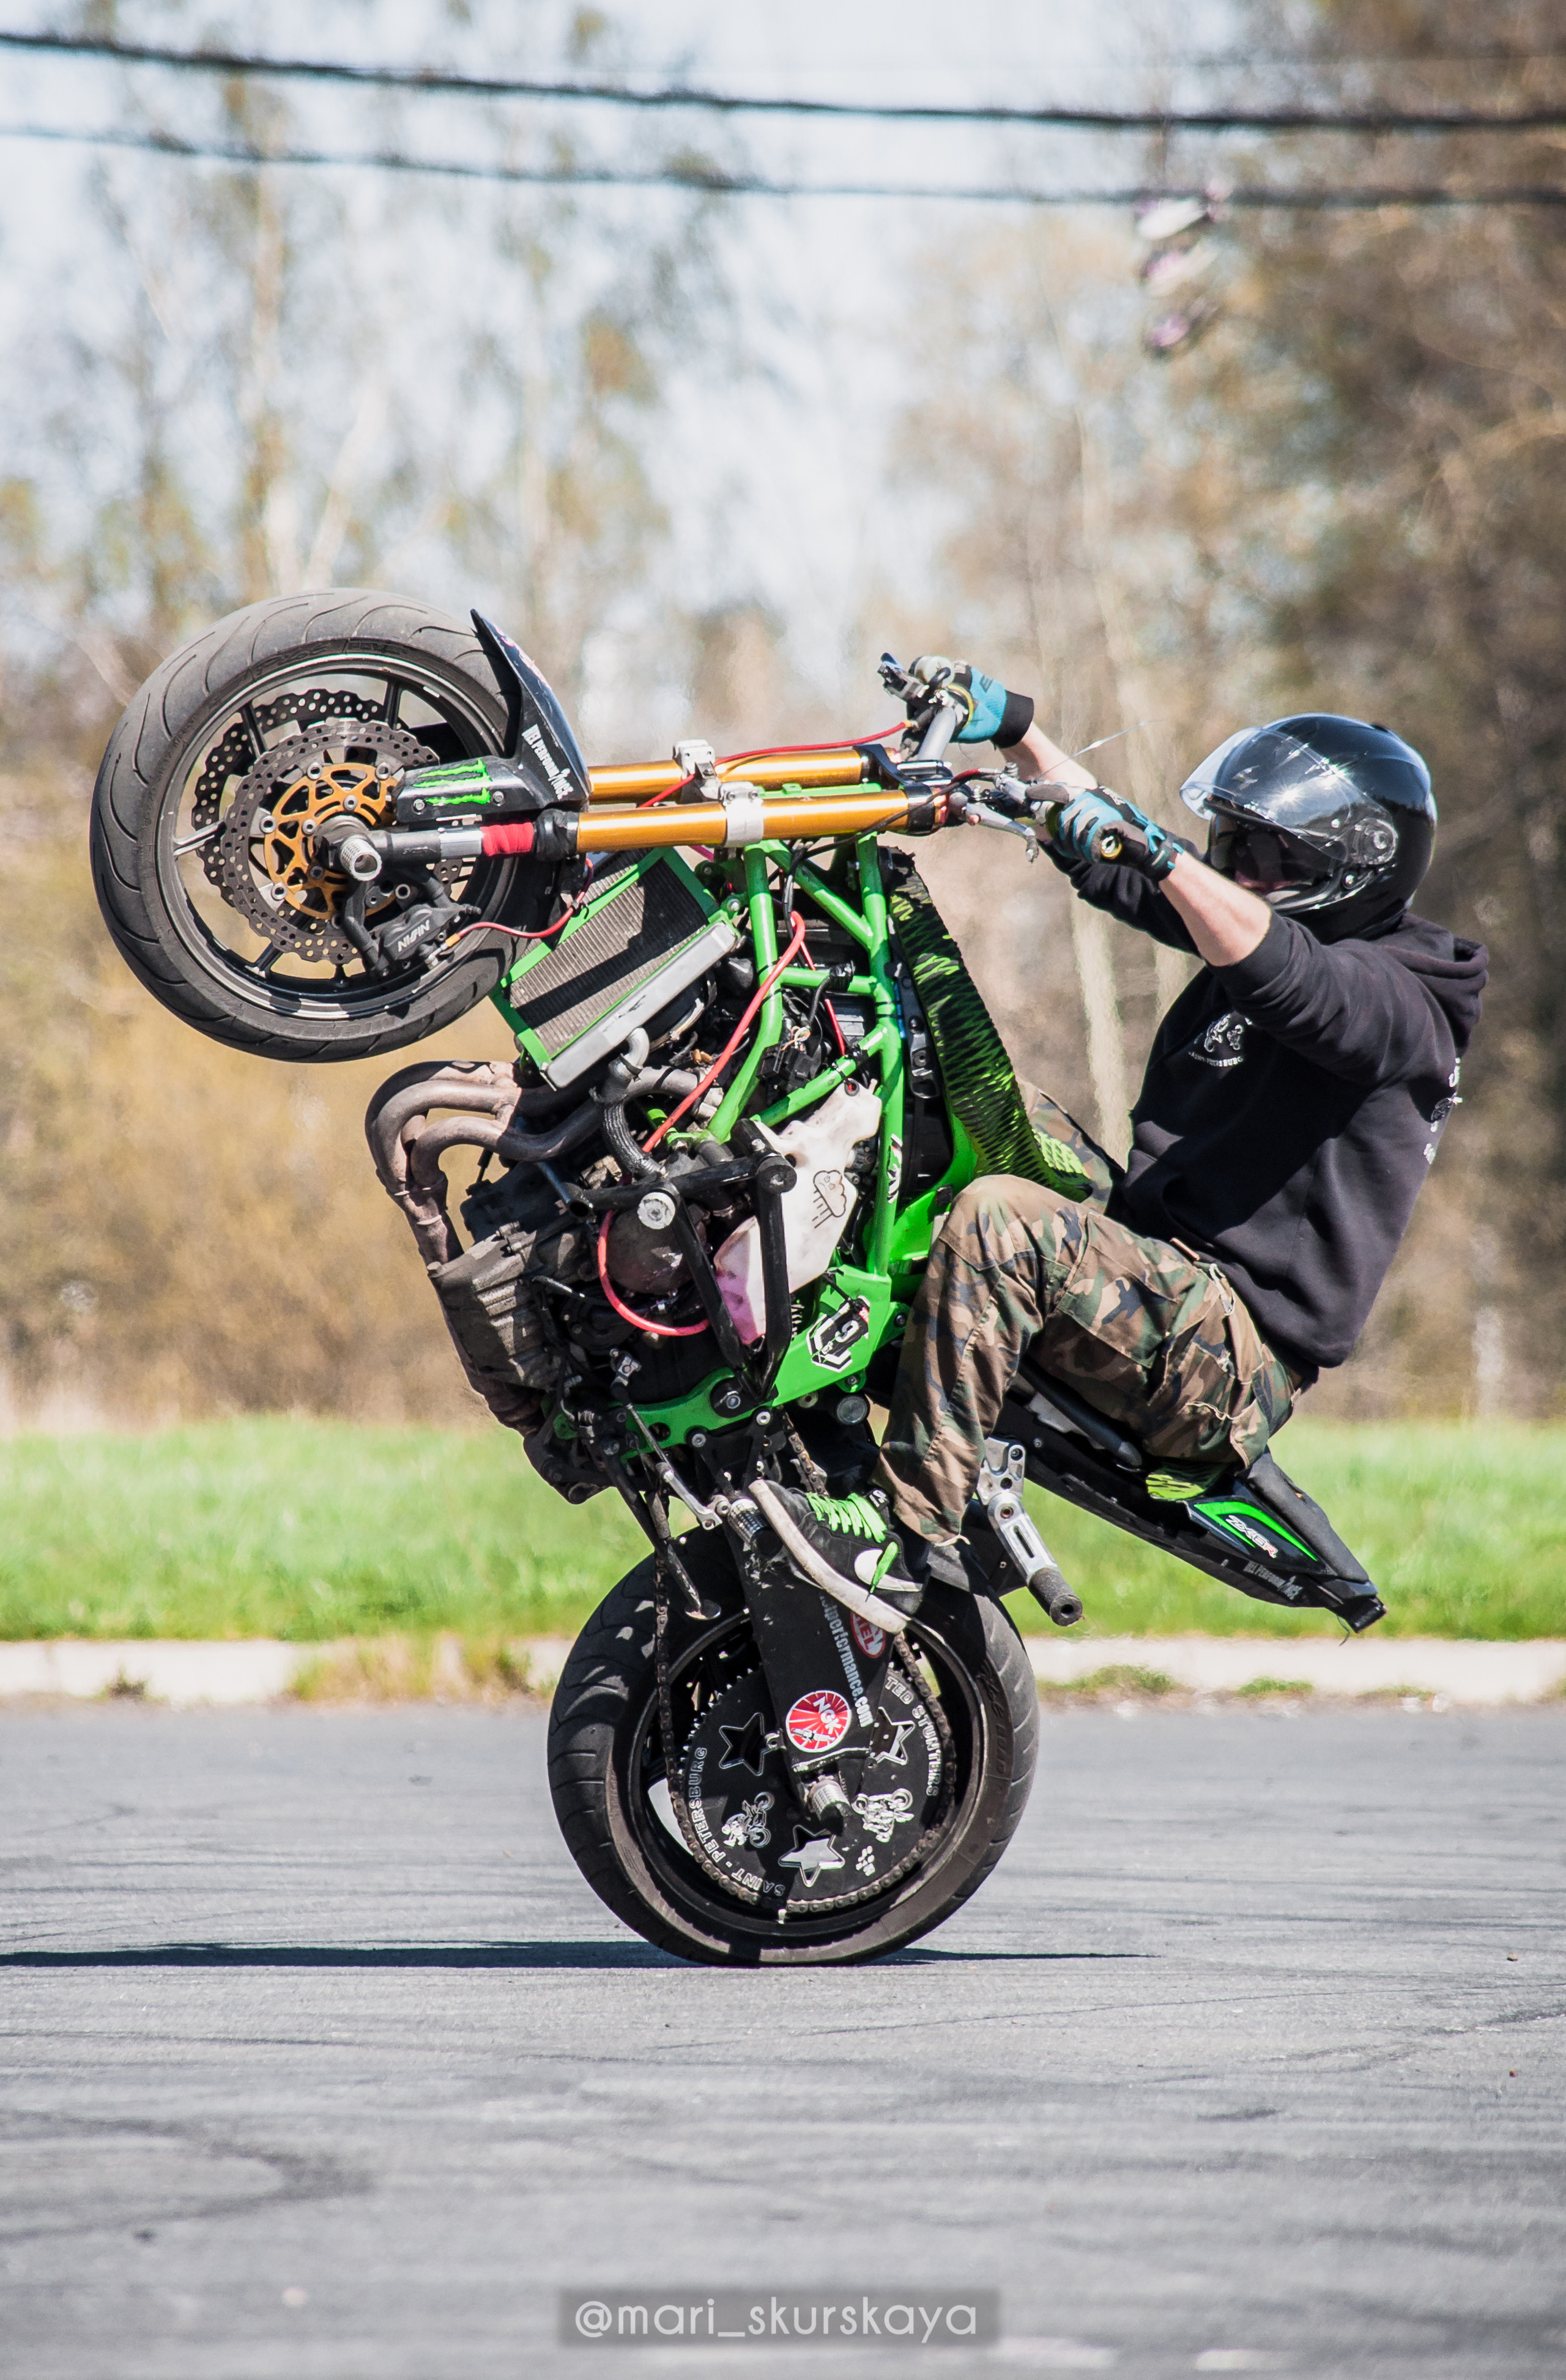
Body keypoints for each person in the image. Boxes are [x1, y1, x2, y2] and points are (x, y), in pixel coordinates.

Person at [772, 660, 1489, 1603]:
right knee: (962, 1095)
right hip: (1156, 1265)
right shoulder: (1262, 920)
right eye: (1230, 845)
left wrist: (1162, 856)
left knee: (1002, 1222)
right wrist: (1020, 733)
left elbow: (1290, 977)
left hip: (1229, 1357)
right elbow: (1125, 867)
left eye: (1268, 857)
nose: (1240, 870)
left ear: (1355, 868)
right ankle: (800, 1376)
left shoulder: (1405, 1004)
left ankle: (907, 1537)